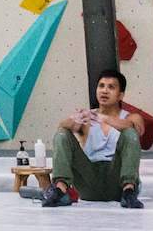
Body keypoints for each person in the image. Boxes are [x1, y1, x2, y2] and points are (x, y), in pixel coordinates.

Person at [38, 69, 143, 209]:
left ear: (120, 95)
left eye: (111, 87)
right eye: (101, 86)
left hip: (117, 182)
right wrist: (74, 119)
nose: (104, 91)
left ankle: (129, 192)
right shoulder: (88, 117)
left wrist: (103, 118)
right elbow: (62, 127)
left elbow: (134, 128)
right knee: (62, 134)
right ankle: (60, 190)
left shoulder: (132, 117)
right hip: (89, 182)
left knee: (130, 133)